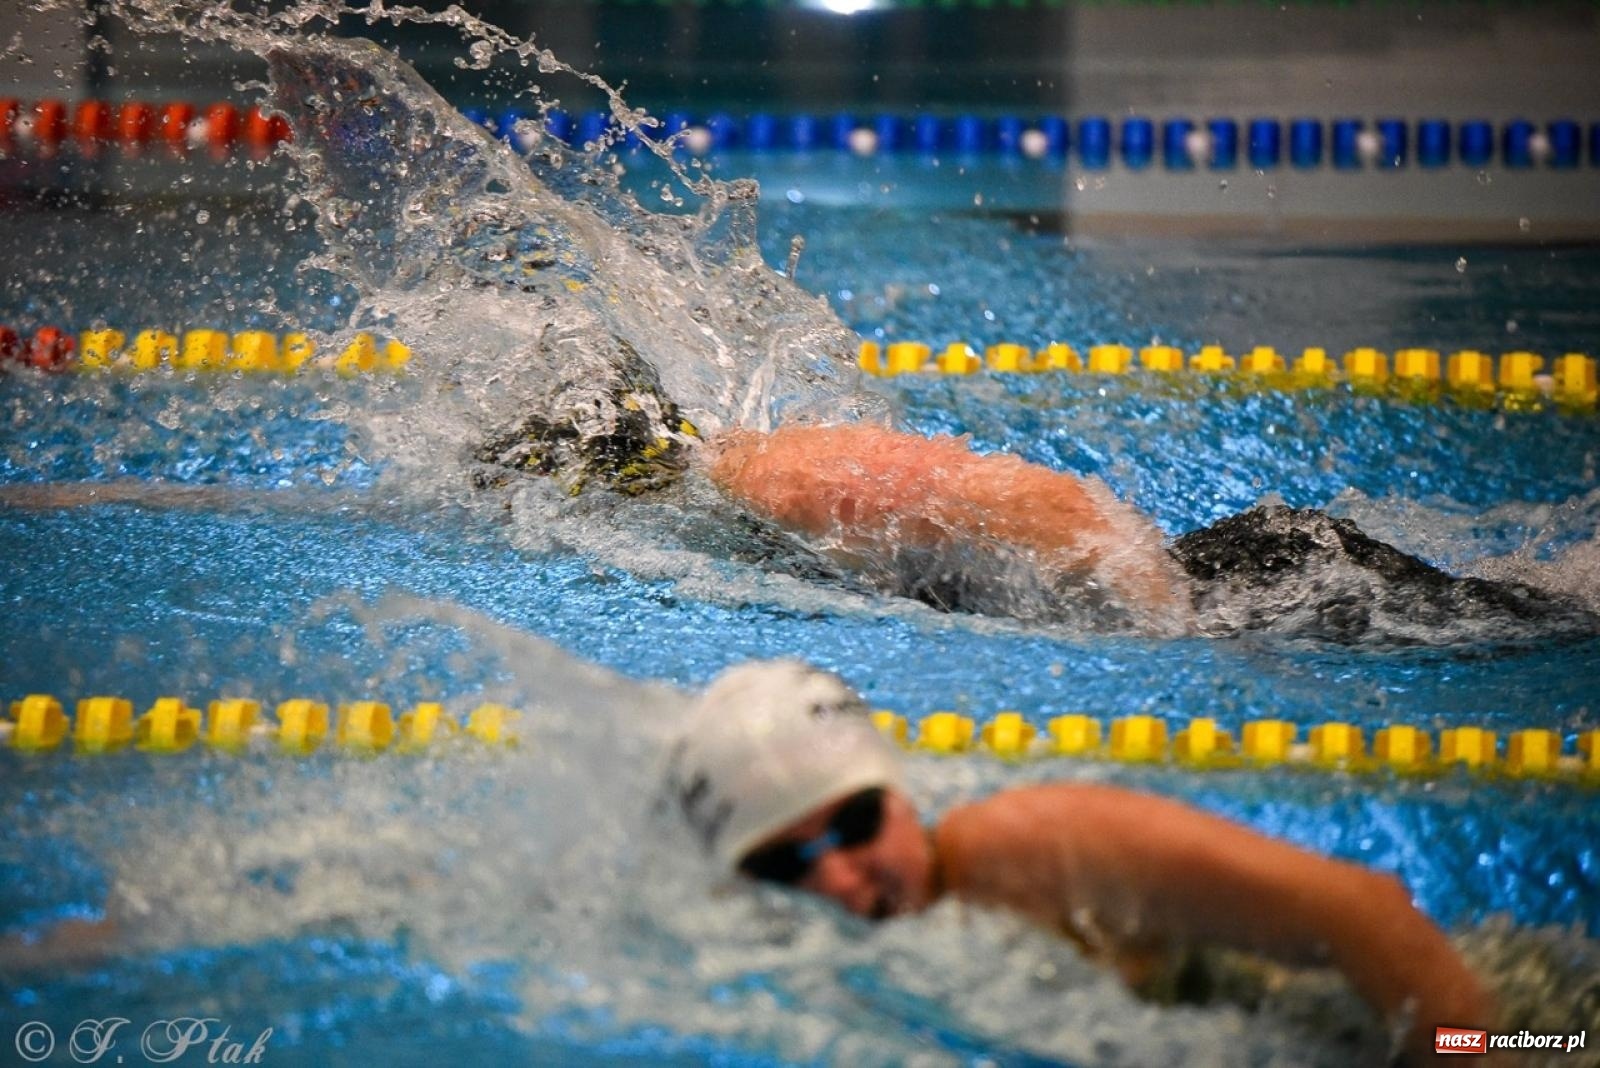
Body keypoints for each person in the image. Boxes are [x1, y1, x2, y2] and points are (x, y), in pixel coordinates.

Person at [660, 659, 1502, 1065]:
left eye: (854, 822)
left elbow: (1363, 911)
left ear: (899, 795)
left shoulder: (1033, 849)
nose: (839, 880)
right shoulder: (774, 947)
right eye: (785, 864)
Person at [476, 365, 1596, 644]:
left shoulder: (758, 476)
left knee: (1546, 623)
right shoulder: (726, 484)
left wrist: (1163, 617)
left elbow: (1040, 499)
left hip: (1254, 592)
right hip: (1218, 580)